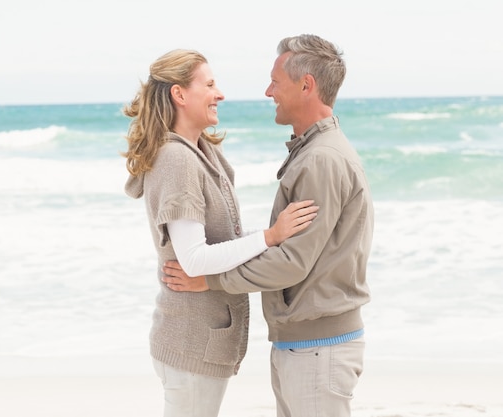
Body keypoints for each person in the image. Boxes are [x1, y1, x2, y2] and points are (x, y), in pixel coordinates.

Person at [162, 34, 374, 417]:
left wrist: (209, 280)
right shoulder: (311, 152)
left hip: (318, 347)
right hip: (307, 343)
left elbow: (290, 262)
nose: (267, 91)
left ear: (306, 85)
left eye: (276, 81)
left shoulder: (320, 160)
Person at [122, 49, 319, 417]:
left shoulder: (202, 152)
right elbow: (194, 260)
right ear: (179, 94)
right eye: (209, 84)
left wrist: (268, 235)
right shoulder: (177, 159)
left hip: (199, 340)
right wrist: (271, 237)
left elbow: (218, 240)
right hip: (190, 342)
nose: (220, 94)